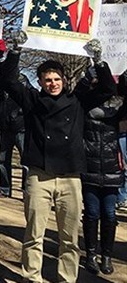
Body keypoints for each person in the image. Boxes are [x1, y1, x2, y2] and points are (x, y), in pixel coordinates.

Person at [0, 35, 117, 283]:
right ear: (40, 82)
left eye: (57, 79)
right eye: (47, 80)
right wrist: (16, 50)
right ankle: (32, 277)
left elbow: (108, 89)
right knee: (33, 234)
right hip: (40, 175)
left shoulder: (77, 102)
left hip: (70, 177)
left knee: (69, 237)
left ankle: (66, 279)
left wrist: (99, 60)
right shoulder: (32, 100)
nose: (53, 83)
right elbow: (8, 81)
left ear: (64, 80)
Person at [79, 62, 125, 275]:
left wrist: (122, 68)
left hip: (112, 167)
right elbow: (81, 91)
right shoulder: (85, 102)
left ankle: (106, 255)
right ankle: (90, 254)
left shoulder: (119, 105)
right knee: (92, 213)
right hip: (89, 166)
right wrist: (91, 72)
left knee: (109, 214)